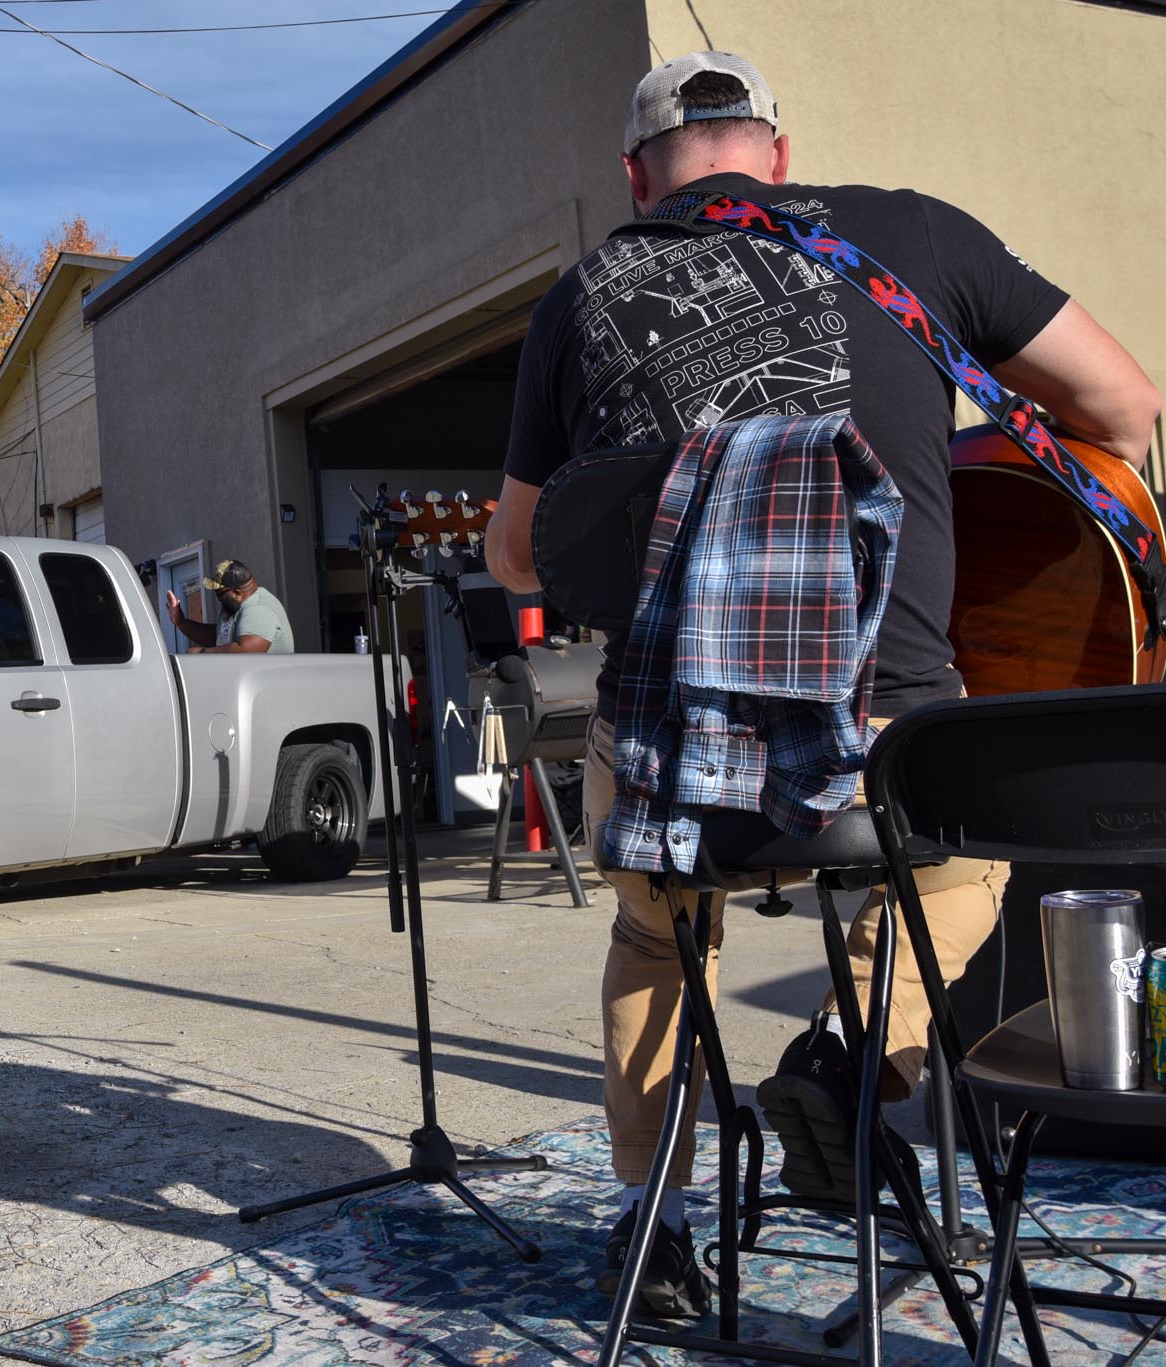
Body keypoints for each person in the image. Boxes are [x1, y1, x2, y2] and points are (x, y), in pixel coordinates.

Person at [484, 51, 1160, 1319]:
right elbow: (1122, 410)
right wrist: (983, 507)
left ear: (636, 177)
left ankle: (653, 1225)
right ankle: (855, 1059)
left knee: (655, 932)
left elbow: (524, 555)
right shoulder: (910, 233)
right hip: (885, 744)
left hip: (679, 760)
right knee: (961, 868)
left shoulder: (576, 300)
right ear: (776, 155)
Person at [166, 559, 295, 654]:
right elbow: (216, 637)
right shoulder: (235, 606)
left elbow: (247, 651)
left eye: (219, 594)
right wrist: (181, 622)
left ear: (236, 593)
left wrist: (202, 654)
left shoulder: (258, 608)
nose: (218, 599)